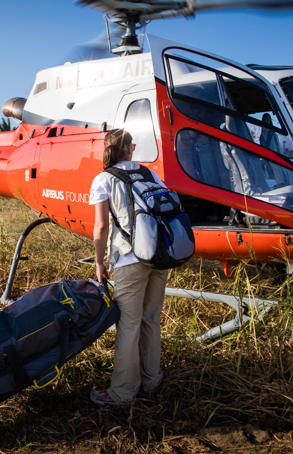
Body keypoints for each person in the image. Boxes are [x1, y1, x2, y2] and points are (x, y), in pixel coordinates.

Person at [88, 129, 169, 406]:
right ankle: (151, 380)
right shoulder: (150, 174)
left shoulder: (103, 179)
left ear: (108, 150)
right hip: (158, 257)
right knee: (151, 320)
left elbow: (101, 227)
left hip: (128, 260)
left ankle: (122, 392)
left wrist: (99, 262)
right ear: (130, 148)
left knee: (129, 325)